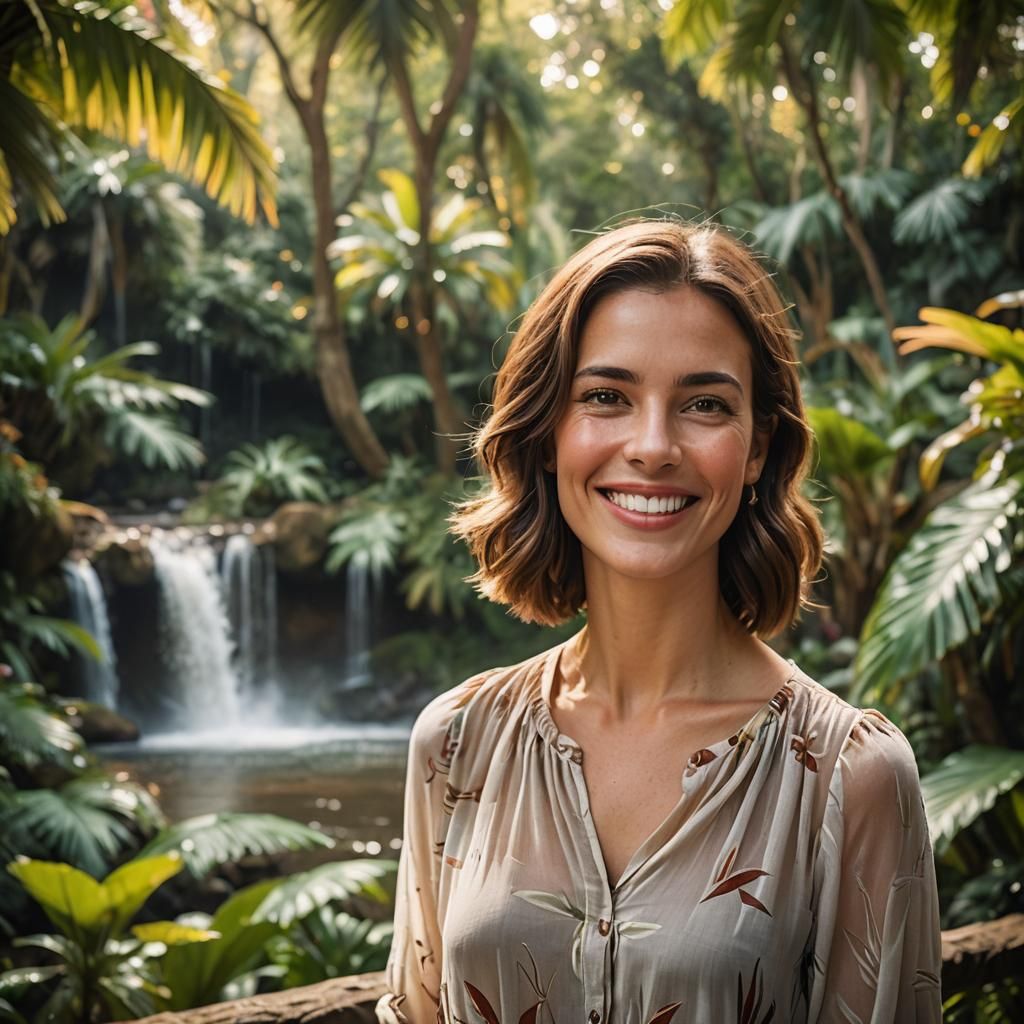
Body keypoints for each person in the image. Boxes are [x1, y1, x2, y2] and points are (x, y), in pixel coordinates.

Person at [375, 220, 942, 1024]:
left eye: (704, 404)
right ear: (548, 433)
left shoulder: (850, 778)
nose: (652, 446)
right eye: (605, 397)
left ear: (756, 450)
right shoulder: (459, 743)